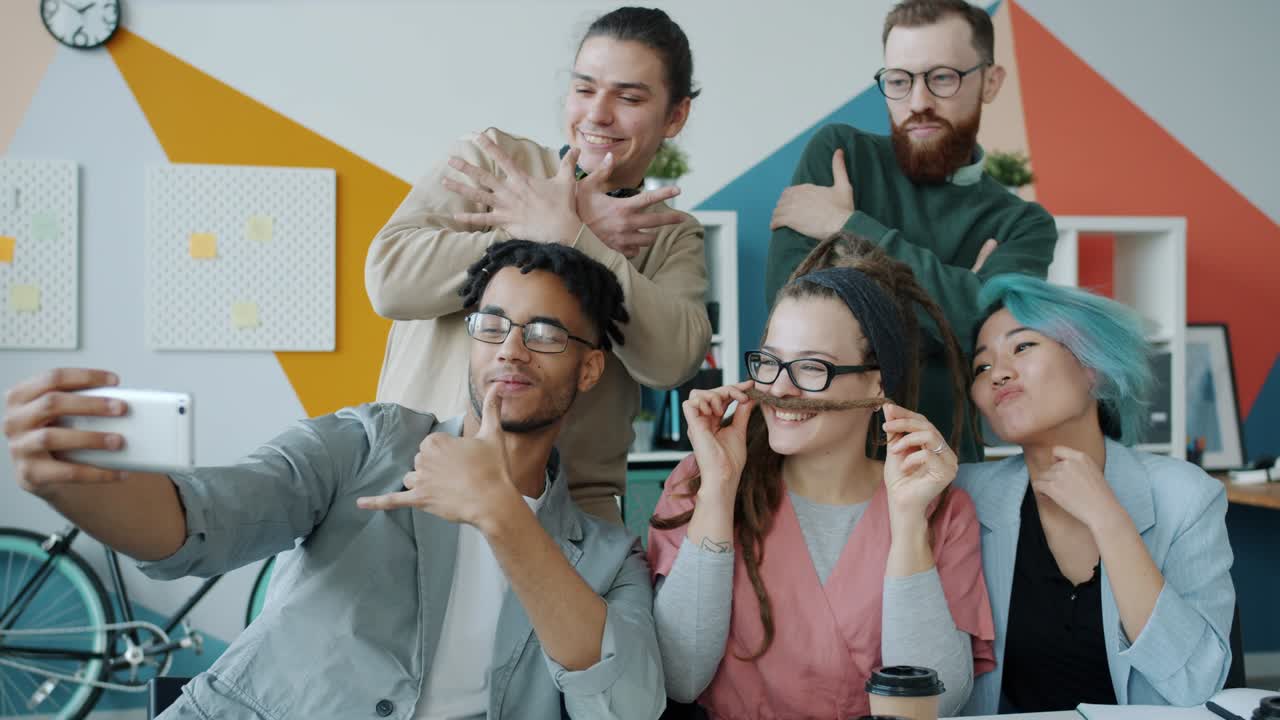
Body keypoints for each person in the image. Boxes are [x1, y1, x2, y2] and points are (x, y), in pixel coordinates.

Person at [4, 241, 665, 720]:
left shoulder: (604, 555)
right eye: (491, 326)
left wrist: (502, 513)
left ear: (588, 371)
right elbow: (211, 519)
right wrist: (79, 486)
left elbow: (627, 705)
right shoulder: (370, 441)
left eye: (545, 333)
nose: (510, 349)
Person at [366, 6, 711, 523]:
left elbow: (673, 359)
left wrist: (576, 236)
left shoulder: (669, 234)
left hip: (568, 515)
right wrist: (531, 229)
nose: (598, 113)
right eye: (584, 88)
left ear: (676, 115)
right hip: (415, 481)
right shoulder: (491, 160)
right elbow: (390, 281)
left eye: (630, 97)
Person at [647, 232, 995, 718]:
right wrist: (719, 492)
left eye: (812, 368)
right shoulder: (700, 482)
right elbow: (680, 678)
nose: (781, 388)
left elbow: (937, 701)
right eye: (770, 362)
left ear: (877, 381)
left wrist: (909, 522)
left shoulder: (942, 510)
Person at [765, 0, 1058, 462]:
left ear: (991, 81)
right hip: (822, 468)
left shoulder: (1024, 224)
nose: (918, 102)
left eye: (943, 78)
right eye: (899, 81)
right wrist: (955, 303)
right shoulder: (841, 155)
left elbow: (987, 343)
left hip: (945, 473)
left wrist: (847, 229)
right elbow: (793, 323)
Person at [956, 274, 1235, 714]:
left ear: (1091, 366)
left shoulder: (1186, 497)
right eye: (981, 367)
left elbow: (1195, 683)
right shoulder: (963, 497)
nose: (999, 374)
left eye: (1023, 346)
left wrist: (1109, 520)